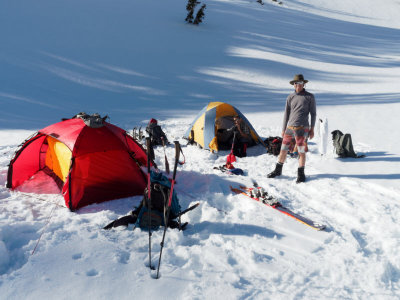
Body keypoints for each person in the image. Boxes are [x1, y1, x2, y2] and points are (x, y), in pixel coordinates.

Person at [267, 74, 316, 183]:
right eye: (296, 83)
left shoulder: (309, 97)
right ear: (293, 85)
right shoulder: (290, 97)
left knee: (301, 152)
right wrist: (283, 129)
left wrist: (312, 129)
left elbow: (313, 114)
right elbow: (286, 113)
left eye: (300, 83)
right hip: (289, 128)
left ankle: (301, 174)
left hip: (302, 128)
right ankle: (278, 170)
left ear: (304, 84)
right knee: (283, 150)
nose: (298, 85)